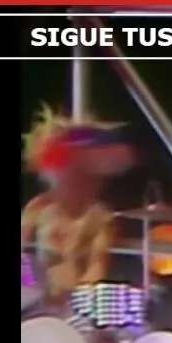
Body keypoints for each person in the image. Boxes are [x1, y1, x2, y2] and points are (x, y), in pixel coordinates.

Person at [20, 105, 134, 307]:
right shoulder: (38, 207)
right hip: (37, 302)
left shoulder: (100, 215)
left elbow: (97, 265)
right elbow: (22, 253)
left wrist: (78, 296)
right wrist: (31, 288)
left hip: (77, 304)